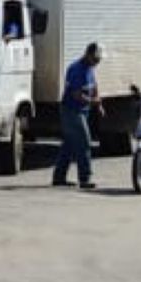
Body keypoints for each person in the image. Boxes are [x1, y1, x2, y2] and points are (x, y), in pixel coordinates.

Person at [53, 41, 102, 189]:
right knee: (84, 142)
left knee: (69, 144)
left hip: (82, 111)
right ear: (88, 54)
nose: (97, 63)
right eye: (95, 59)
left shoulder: (90, 68)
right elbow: (76, 94)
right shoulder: (76, 69)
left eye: (99, 60)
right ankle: (85, 178)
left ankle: (59, 177)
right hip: (71, 111)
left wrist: (99, 104)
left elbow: (94, 86)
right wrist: (93, 102)